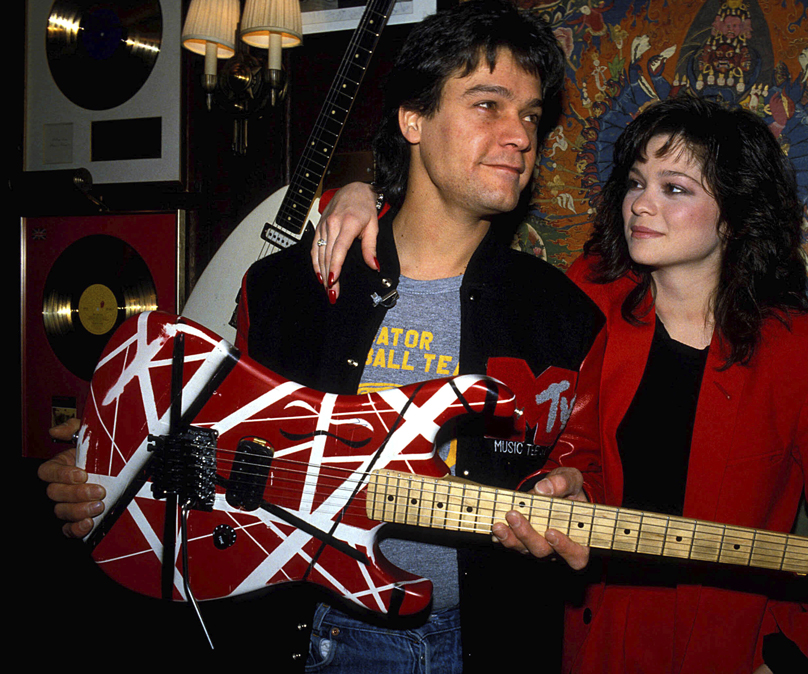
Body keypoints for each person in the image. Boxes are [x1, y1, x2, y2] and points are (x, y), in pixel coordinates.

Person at [38, 2, 603, 672]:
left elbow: (585, 462)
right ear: (412, 118)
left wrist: (577, 493)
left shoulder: (564, 316)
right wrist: (108, 478)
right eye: (489, 105)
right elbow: (214, 452)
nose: (521, 136)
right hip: (314, 635)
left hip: (496, 642)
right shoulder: (285, 291)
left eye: (533, 115)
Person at [320, 96, 808, 674]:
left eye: (675, 189)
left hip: (724, 647)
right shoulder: (587, 302)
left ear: (738, 214)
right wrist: (359, 194)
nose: (640, 204)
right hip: (583, 640)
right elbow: (569, 446)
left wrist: (788, 662)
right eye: (636, 182)